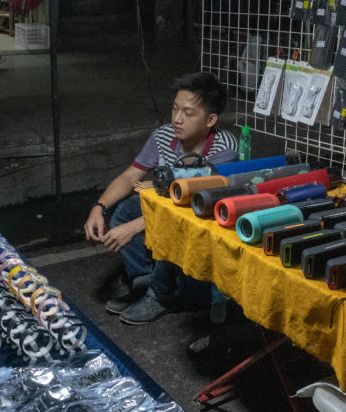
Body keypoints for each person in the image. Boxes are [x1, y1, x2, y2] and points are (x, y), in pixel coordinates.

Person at [84, 72, 238, 325]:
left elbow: (191, 206)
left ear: (210, 119)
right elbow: (130, 176)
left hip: (201, 222)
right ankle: (147, 282)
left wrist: (133, 228)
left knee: (167, 223)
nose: (177, 119)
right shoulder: (164, 136)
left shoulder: (224, 148)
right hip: (171, 211)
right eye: (175, 109)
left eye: (188, 113)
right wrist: (98, 208)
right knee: (126, 209)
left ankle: (162, 294)